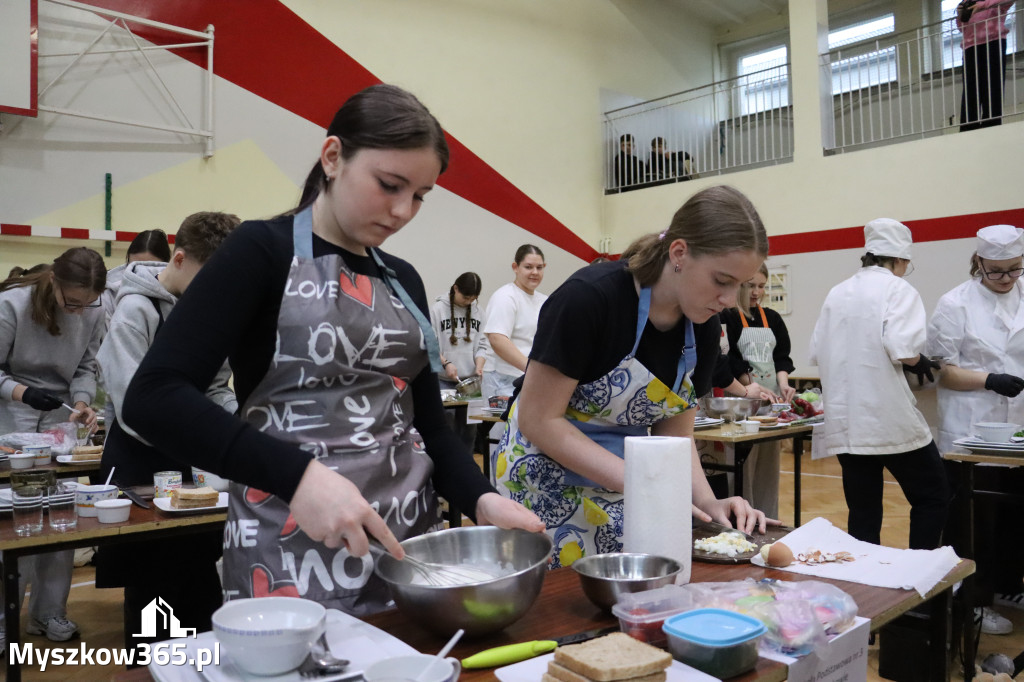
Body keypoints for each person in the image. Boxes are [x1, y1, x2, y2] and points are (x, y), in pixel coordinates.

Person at [121, 84, 543, 615]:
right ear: (333, 157)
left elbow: (429, 428)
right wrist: (297, 475)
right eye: (389, 185)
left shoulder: (403, 280)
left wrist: (483, 499)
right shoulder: (260, 252)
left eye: (419, 195)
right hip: (290, 547)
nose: (402, 210)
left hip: (406, 548)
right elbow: (153, 397)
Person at [492, 186, 772, 568]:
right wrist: (642, 483)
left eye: (739, 285)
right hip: (543, 484)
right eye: (722, 280)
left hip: (628, 487)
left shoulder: (703, 325)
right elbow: (540, 420)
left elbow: (676, 436)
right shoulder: (589, 299)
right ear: (679, 254)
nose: (729, 299)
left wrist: (708, 502)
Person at [95, 212, 239, 654]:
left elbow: (216, 387)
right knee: (153, 592)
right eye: (211, 278)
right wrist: (203, 440)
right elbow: (134, 405)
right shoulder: (135, 310)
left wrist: (238, 430)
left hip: (191, 461)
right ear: (178, 259)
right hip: (142, 459)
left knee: (198, 579)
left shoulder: (211, 310)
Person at [809, 218, 949, 550]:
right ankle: (922, 585)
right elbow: (902, 346)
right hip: (888, 419)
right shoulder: (899, 288)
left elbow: (816, 350)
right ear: (901, 259)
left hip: (845, 423)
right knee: (934, 496)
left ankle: (869, 590)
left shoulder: (837, 291)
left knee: (864, 512)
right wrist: (921, 361)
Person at [0, 247, 106, 648]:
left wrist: (81, 403)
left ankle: (48, 614)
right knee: (14, 521)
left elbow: (85, 367)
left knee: (61, 519)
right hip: (12, 416)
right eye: (71, 302)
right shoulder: (11, 305)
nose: (79, 312)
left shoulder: (95, 310)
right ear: (53, 282)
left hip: (60, 418)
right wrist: (23, 392)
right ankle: (4, 618)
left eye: (87, 304)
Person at [928, 223, 1024, 635]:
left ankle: (1007, 585)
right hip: (972, 427)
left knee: (1014, 512)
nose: (1005, 279)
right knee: (976, 519)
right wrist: (990, 380)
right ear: (978, 263)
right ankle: (973, 601)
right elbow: (943, 371)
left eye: (1014, 270)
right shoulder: (955, 303)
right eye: (995, 271)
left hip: (1018, 422)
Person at [718, 263, 796, 518]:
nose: (756, 292)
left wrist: (783, 384)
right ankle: (743, 515)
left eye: (761, 286)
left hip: (770, 403)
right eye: (750, 285)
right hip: (742, 401)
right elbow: (730, 359)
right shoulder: (727, 316)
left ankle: (767, 515)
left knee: (768, 465)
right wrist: (748, 386)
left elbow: (782, 357)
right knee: (743, 464)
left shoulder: (772, 318)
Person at [481, 245, 548, 401]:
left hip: (529, 379)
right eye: (528, 267)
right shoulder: (505, 297)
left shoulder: (544, 300)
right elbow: (497, 339)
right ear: (515, 267)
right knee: (506, 426)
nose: (535, 272)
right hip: (502, 380)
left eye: (539, 267)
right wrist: (531, 369)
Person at [429, 271, 487, 449]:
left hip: (470, 383)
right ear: (455, 288)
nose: (469, 301)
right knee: (448, 428)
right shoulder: (438, 310)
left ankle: (466, 471)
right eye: (466, 297)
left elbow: (483, 344)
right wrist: (446, 363)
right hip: (444, 381)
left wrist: (479, 366)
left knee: (470, 432)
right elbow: (430, 343)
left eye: (473, 298)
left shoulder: (478, 312)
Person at [956, 0, 1017, 132]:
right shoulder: (967, 2)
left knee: (993, 86)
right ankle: (968, 128)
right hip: (970, 47)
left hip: (993, 42)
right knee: (970, 89)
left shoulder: (991, 3)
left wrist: (982, 6)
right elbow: (961, 27)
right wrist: (960, 14)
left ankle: (991, 126)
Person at [100, 228, 171, 326]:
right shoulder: (109, 293)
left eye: (148, 269)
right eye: (134, 267)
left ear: (165, 266)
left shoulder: (176, 293)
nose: (140, 275)